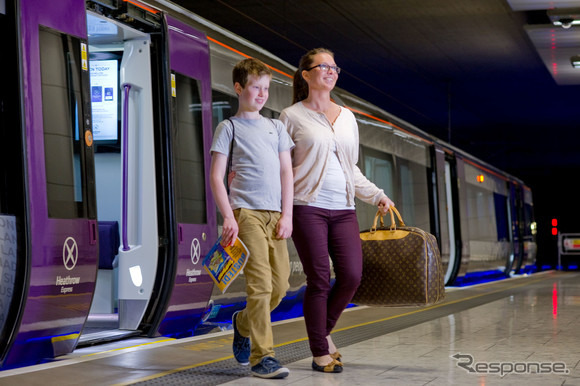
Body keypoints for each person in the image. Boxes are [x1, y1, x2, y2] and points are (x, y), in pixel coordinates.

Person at [279, 48, 394, 373]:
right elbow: (282, 169)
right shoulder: (290, 117)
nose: (331, 71)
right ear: (306, 74)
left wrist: (377, 195)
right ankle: (319, 352)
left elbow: (351, 167)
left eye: (334, 67)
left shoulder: (347, 117)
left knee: (351, 276)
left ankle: (323, 333)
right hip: (306, 208)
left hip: (343, 208)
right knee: (318, 279)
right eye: (323, 66)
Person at [209, 58, 294, 379]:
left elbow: (286, 172)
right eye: (255, 87)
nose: (261, 94)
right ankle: (263, 358)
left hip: (276, 215)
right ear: (239, 88)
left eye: (266, 89)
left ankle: (242, 324)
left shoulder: (276, 127)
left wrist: (288, 214)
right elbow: (217, 177)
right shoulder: (228, 127)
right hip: (246, 213)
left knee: (281, 285)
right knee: (259, 286)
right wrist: (228, 217)